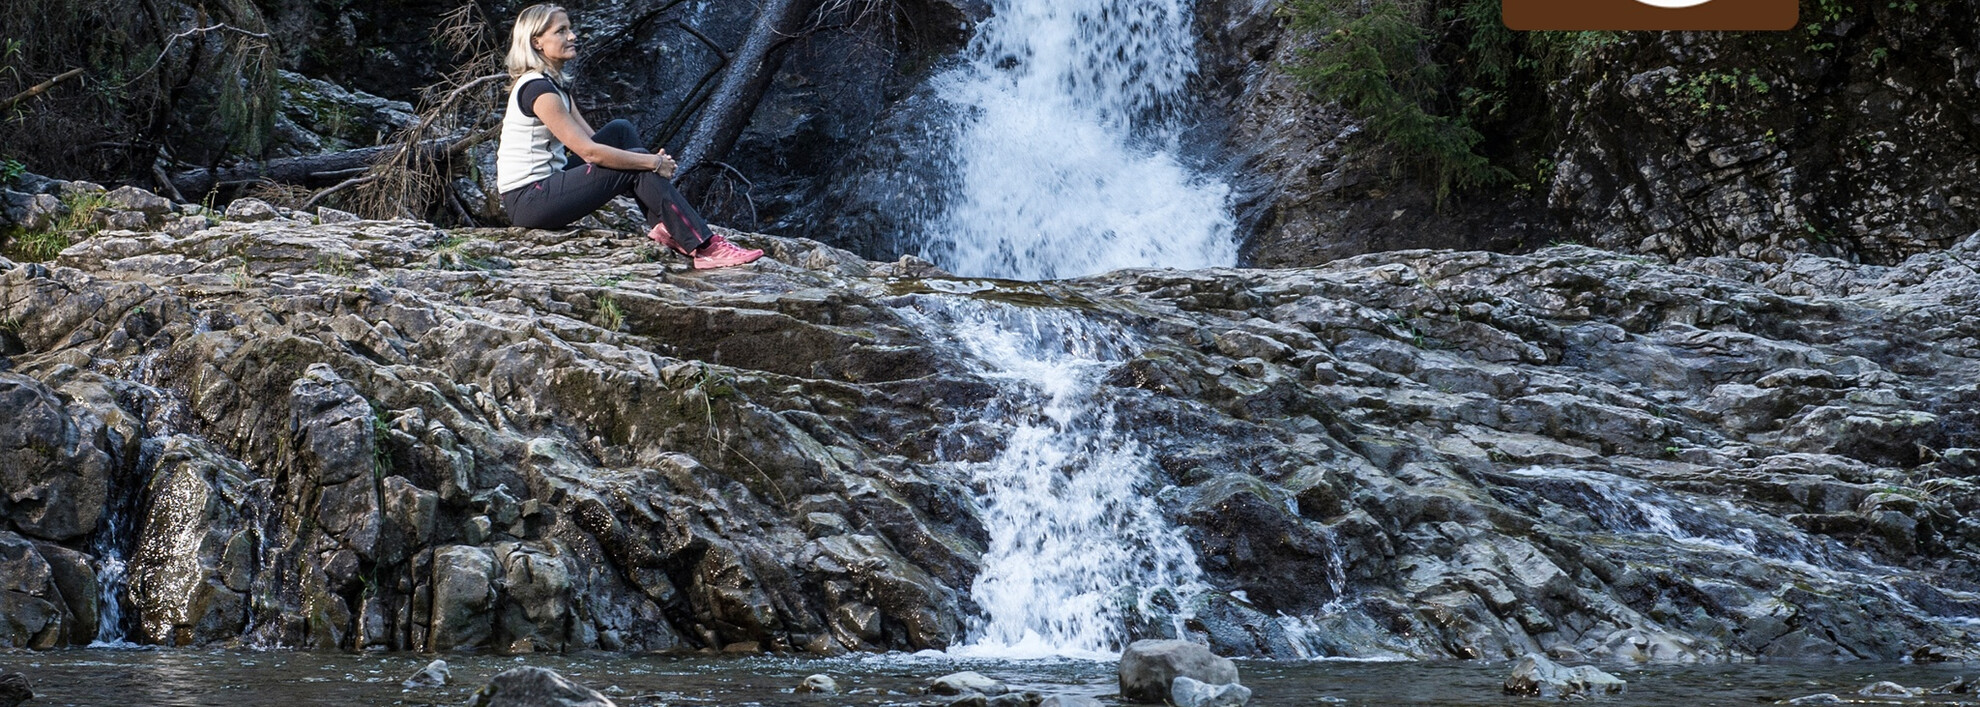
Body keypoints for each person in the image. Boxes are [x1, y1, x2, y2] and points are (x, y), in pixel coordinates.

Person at [497, 4, 761, 269]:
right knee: (636, 164)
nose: (572, 36)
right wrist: (651, 163)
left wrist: (641, 160)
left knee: (621, 131)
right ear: (537, 42)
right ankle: (705, 247)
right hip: (529, 200)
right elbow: (589, 153)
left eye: (570, 29)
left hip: (543, 188)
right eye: (561, 31)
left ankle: (664, 226)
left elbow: (597, 143)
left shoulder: (554, 85)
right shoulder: (539, 90)